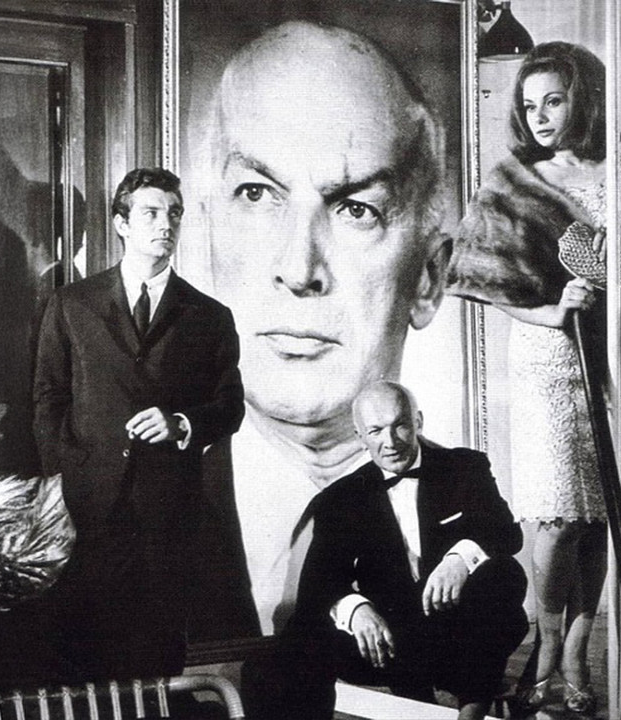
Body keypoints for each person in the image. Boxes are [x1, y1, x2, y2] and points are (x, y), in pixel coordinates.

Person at [447, 42, 621, 715]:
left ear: (587, 99)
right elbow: (479, 277)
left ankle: (579, 652)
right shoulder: (512, 183)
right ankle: (548, 642)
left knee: (599, 517)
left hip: (618, 361)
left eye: (554, 100)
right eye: (530, 106)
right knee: (555, 519)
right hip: (547, 360)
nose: (541, 116)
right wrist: (551, 310)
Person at [195, 20, 453, 634]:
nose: (298, 269)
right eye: (256, 194)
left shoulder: (461, 498)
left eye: (356, 209)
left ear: (428, 278)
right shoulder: (152, 511)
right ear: (206, 239)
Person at [32, 167, 255, 678]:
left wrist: (180, 424)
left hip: (168, 519)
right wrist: (62, 484)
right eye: (151, 213)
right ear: (121, 224)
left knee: (155, 662)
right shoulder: (72, 305)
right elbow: (48, 400)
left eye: (174, 214)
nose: (165, 225)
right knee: (82, 663)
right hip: (86, 514)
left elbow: (230, 407)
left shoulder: (209, 316)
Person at [244, 381, 528, 720]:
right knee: (284, 652)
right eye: (376, 431)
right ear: (359, 435)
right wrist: (356, 610)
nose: (390, 442)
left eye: (400, 425)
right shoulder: (340, 498)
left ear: (418, 421)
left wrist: (459, 559)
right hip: (390, 639)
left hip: (460, 629)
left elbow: (506, 533)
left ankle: (472, 712)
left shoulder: (464, 467)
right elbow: (317, 585)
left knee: (504, 572)